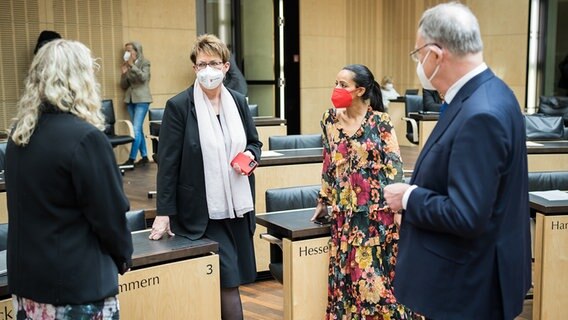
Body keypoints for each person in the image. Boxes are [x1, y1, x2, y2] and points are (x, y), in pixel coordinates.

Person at [383, 3, 531, 319]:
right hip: (471, 280)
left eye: (418, 54)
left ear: (436, 55)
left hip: (466, 290)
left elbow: (467, 215)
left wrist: (408, 197)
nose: (419, 63)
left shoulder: (481, 114)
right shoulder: (491, 93)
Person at [6, 39, 133, 319]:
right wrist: (124, 255)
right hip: (77, 286)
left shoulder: (19, 136)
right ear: (82, 79)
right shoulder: (87, 139)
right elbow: (110, 216)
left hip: (28, 286)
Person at [149, 34, 261, 320]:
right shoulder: (179, 106)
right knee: (228, 281)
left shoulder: (237, 101)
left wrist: (249, 155)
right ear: (194, 68)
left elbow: (254, 143)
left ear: (225, 67)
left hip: (237, 209)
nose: (207, 69)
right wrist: (164, 213)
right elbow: (168, 164)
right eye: (201, 64)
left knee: (231, 279)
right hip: (202, 212)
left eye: (213, 63)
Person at [311, 64, 423, 319]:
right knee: (348, 286)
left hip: (377, 217)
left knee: (377, 286)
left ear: (360, 90)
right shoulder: (329, 119)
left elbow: (394, 166)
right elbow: (329, 163)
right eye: (336, 83)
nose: (336, 89)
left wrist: (399, 209)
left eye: (343, 85)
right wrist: (323, 199)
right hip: (344, 217)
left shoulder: (380, 122)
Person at [119, 41, 152, 167]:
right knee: (138, 129)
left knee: (135, 129)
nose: (126, 53)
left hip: (142, 99)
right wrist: (123, 73)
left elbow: (144, 78)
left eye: (129, 50)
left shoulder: (145, 63)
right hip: (130, 99)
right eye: (125, 51)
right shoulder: (126, 65)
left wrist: (132, 66)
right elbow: (123, 85)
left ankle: (131, 159)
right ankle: (144, 156)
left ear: (136, 51)